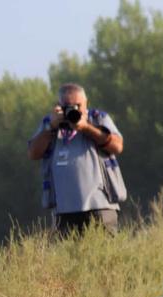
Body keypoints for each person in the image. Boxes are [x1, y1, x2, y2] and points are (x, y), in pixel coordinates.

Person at [27, 83, 126, 234]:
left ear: (86, 104)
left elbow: (117, 146)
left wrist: (86, 127)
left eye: (78, 106)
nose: (74, 111)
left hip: (100, 206)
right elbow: (33, 153)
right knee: (70, 256)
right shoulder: (50, 123)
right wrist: (51, 127)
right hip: (64, 210)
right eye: (68, 107)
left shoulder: (98, 118)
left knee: (103, 253)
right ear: (59, 106)